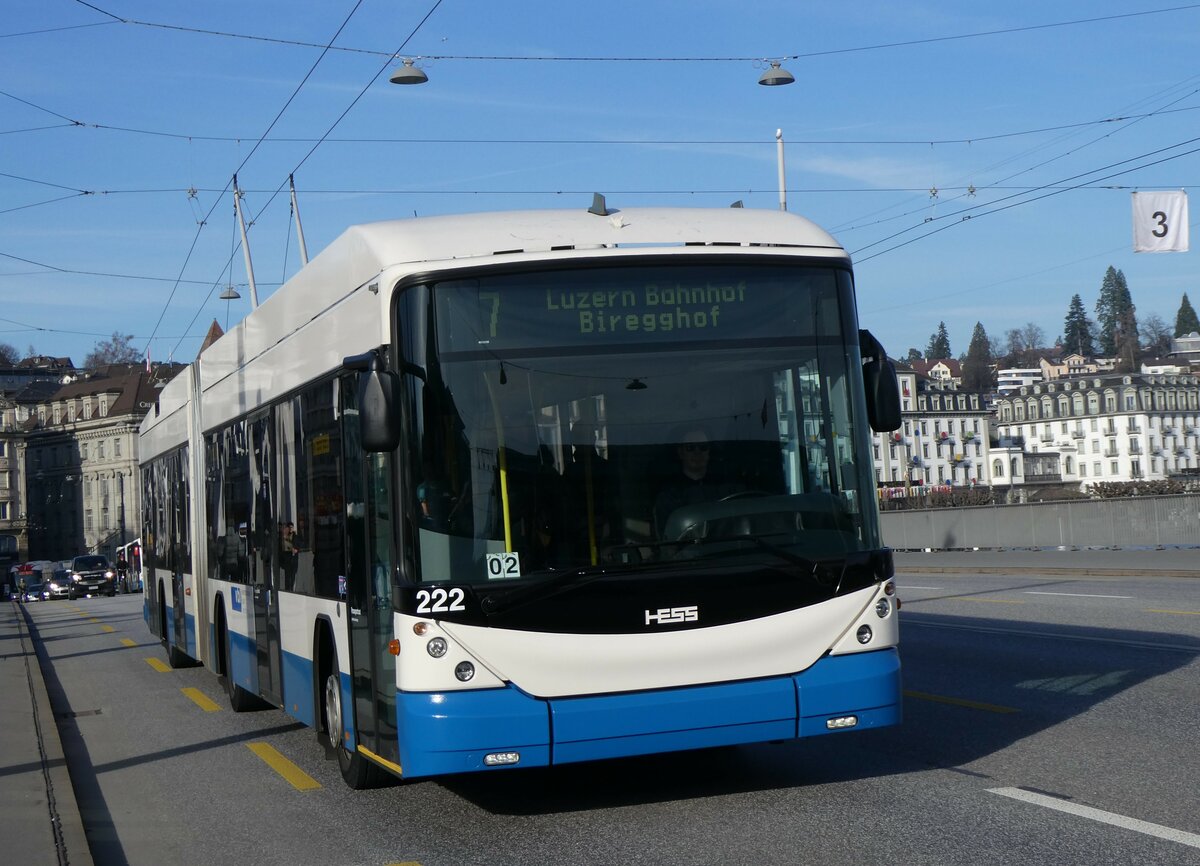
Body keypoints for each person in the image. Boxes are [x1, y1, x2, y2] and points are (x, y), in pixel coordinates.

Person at [653, 428, 740, 537]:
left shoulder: (726, 488)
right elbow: (669, 543)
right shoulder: (669, 495)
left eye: (703, 447)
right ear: (680, 452)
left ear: (709, 452)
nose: (697, 452)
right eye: (690, 448)